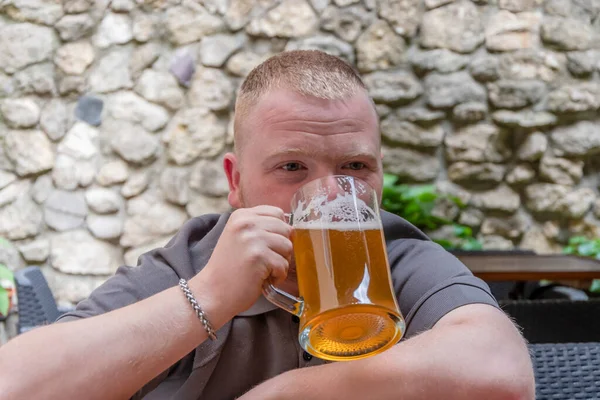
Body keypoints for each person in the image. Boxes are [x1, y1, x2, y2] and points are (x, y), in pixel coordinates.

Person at [0, 50, 534, 400]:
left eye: (354, 167)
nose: (329, 197)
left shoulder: (394, 255)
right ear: (236, 182)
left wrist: (283, 393)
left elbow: (500, 371)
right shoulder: (193, 262)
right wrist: (207, 298)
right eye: (292, 167)